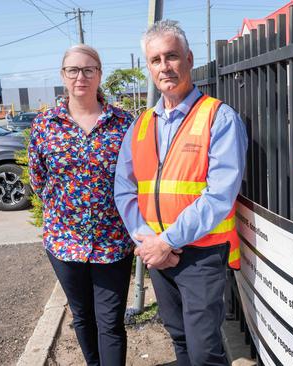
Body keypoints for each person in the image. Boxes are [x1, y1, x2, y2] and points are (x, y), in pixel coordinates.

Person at [114, 20, 248, 366]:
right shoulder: (141, 124)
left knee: (205, 351)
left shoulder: (218, 118)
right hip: (156, 253)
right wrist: (148, 242)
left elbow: (219, 196)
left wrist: (166, 242)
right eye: (155, 60)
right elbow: (124, 190)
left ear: (188, 59)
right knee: (180, 339)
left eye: (171, 56)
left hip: (201, 256)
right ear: (149, 67)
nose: (164, 67)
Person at [28, 44, 134, 366]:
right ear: (63, 75)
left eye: (89, 69)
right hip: (64, 244)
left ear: (99, 75)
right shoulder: (45, 125)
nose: (81, 77)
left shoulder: (123, 123)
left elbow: (135, 177)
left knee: (111, 321)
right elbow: (38, 178)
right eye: (73, 70)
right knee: (83, 316)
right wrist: (65, 213)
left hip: (112, 243)